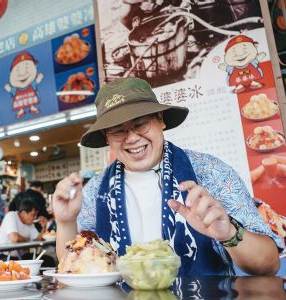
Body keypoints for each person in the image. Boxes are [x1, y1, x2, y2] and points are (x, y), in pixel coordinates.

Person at [53, 77, 283, 276]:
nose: (131, 138)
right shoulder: (95, 190)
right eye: (117, 130)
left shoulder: (210, 172)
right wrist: (65, 222)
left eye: (140, 124)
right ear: (106, 137)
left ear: (160, 119)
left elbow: (268, 264)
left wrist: (229, 234)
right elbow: (71, 267)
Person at [0, 197, 55, 267]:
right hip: (4, 257)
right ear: (24, 213)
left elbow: (37, 239)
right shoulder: (11, 216)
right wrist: (27, 239)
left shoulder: (29, 223)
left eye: (36, 215)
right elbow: (15, 238)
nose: (35, 217)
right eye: (33, 214)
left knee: (48, 261)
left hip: (20, 257)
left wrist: (44, 227)